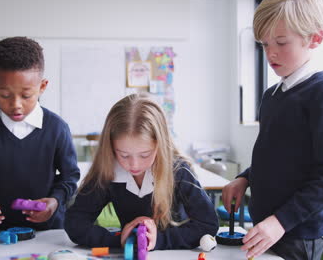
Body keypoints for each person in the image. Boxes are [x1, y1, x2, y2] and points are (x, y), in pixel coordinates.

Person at [222, 0, 323, 259]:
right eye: (264, 44)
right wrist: (245, 177)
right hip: (267, 224)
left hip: (298, 231)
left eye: (281, 42)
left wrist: (280, 221)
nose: (271, 53)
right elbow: (274, 156)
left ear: (314, 39)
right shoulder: (272, 95)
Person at [64, 93, 218, 250]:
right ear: (110, 147)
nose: (134, 164)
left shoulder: (178, 171)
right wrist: (120, 240)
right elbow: (75, 223)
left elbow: (208, 224)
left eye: (145, 155)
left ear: (160, 145)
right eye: (123, 155)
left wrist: (159, 240)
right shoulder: (107, 171)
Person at [0, 36, 80, 230]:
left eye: (26, 95)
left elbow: (69, 177)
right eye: (5, 95)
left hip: (49, 232)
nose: (16, 105)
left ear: (42, 87)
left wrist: (55, 201)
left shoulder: (57, 128)